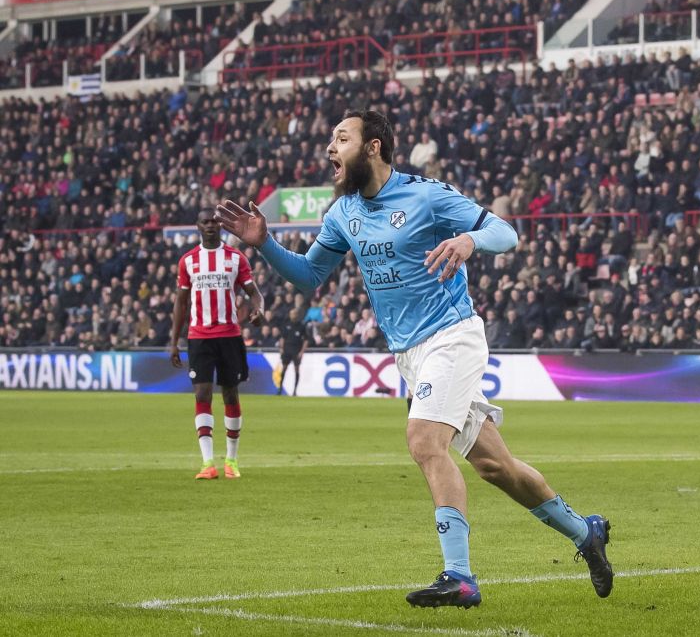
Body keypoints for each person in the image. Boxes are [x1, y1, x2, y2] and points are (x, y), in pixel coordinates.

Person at [215, 110, 613, 608]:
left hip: (453, 336)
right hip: (410, 355)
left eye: (341, 139)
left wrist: (469, 239)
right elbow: (309, 276)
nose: (329, 150)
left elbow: (506, 233)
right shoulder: (343, 213)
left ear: (374, 147)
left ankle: (460, 577)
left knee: (424, 441)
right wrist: (266, 245)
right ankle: (585, 532)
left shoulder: (426, 195)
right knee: (497, 467)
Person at [171, 208, 265, 480]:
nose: (210, 226)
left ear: (220, 225)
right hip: (199, 337)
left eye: (214, 221)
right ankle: (207, 463)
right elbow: (181, 302)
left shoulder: (235, 258)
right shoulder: (188, 261)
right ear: (197, 226)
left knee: (230, 394)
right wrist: (174, 341)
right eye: (205, 222)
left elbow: (254, 293)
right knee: (202, 394)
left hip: (229, 336)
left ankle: (232, 461)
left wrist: (259, 310)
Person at [278, 308, 308, 396]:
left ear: (297, 315)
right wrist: (281, 348)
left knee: (296, 369)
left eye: (295, 314)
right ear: (290, 315)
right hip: (287, 349)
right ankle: (280, 388)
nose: (293, 315)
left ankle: (295, 390)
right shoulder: (286, 325)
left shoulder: (301, 326)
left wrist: (302, 352)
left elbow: (306, 340)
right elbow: (282, 338)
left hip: (296, 350)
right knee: (284, 368)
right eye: (292, 314)